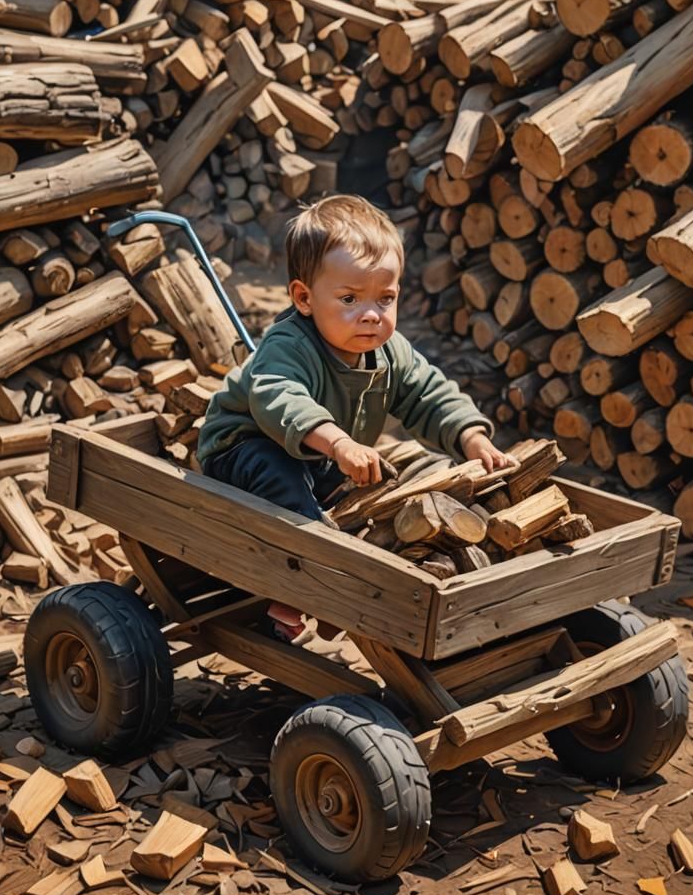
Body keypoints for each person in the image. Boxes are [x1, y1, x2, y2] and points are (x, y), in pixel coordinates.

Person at [198, 194, 515, 638]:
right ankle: (300, 588)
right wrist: (341, 443)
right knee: (283, 483)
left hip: (321, 454)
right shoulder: (288, 345)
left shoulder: (388, 351)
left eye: (385, 299)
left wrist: (471, 437)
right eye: (349, 298)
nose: (371, 315)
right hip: (244, 447)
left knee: (368, 493)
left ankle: (342, 573)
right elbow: (279, 398)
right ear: (304, 298)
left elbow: (428, 392)